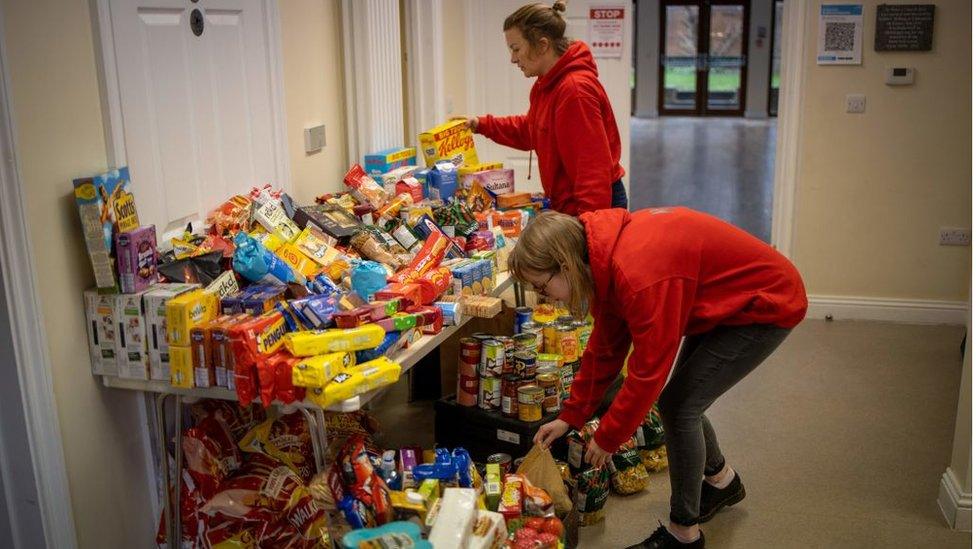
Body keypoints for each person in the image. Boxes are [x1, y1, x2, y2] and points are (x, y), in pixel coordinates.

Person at [510, 208, 808, 548]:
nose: (544, 298)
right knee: (682, 400)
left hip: (765, 302)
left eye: (542, 286)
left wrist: (609, 436)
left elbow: (648, 372)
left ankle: (684, 535)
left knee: (681, 406)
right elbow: (605, 349)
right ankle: (723, 483)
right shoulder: (602, 258)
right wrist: (570, 416)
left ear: (564, 265)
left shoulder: (637, 274)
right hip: (725, 298)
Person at [458, 1, 628, 215]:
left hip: (592, 207)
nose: (512, 59)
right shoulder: (546, 85)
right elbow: (531, 130)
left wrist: (589, 235)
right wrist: (481, 124)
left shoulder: (575, 91)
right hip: (571, 205)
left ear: (543, 45)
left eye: (516, 48)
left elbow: (592, 175)